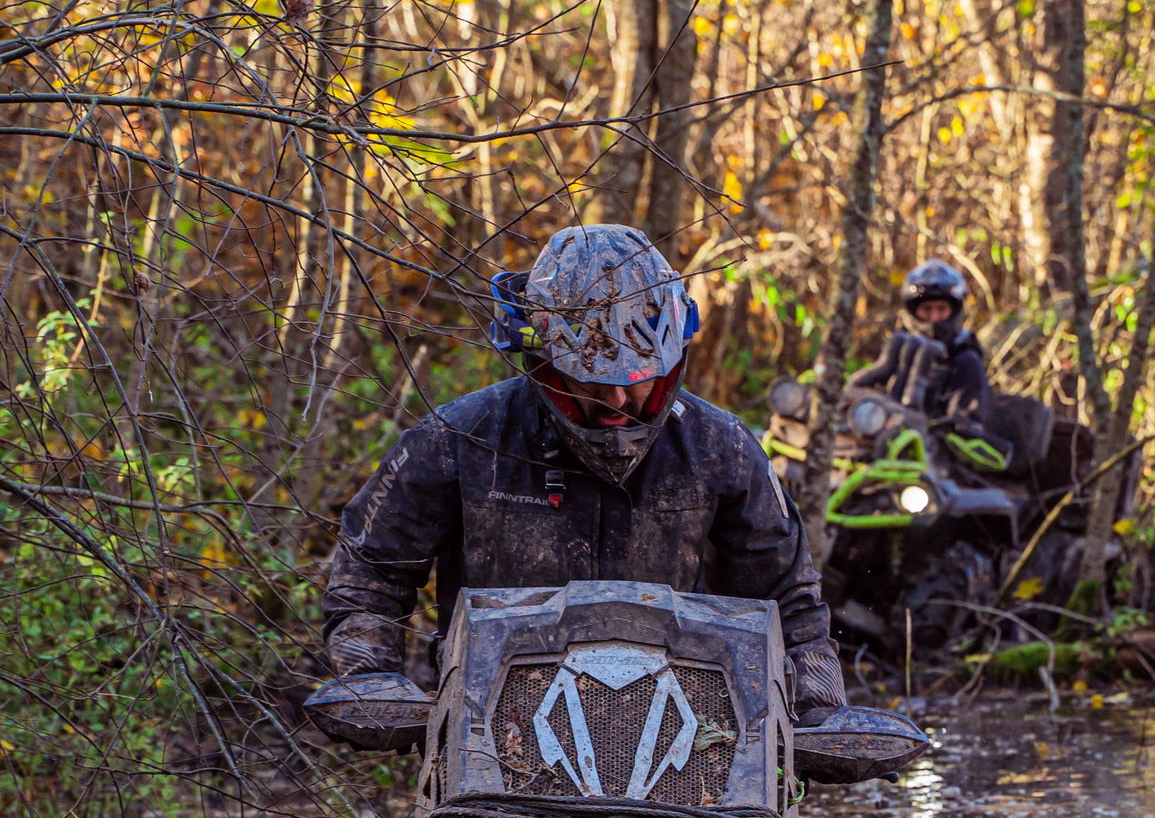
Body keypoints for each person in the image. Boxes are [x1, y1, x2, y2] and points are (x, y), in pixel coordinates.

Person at [320, 225, 844, 719]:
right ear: (546, 361)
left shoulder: (721, 446)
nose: (617, 398)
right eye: (592, 378)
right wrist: (370, 677)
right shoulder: (460, 438)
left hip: (686, 730)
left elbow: (788, 597)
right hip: (494, 729)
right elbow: (373, 565)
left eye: (637, 377)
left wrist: (819, 706)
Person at [852, 259, 990, 427]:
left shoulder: (966, 359)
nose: (934, 318)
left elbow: (969, 422)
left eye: (941, 309)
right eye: (926, 309)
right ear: (913, 311)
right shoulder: (897, 346)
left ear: (954, 311)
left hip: (936, 444)